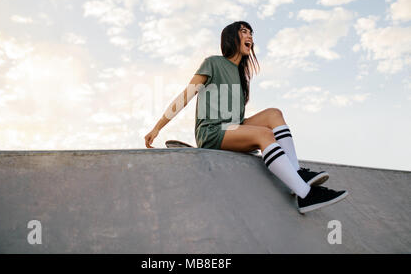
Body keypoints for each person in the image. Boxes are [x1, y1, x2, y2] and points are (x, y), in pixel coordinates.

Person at [144, 21, 348, 214]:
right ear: (232, 38)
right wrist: (158, 127)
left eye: (251, 33)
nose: (249, 36)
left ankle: (296, 173)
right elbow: (185, 96)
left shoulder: (241, 75)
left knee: (273, 114)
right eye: (244, 32)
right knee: (265, 135)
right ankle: (305, 195)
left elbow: (238, 120)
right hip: (213, 131)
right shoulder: (213, 63)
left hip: (233, 128)